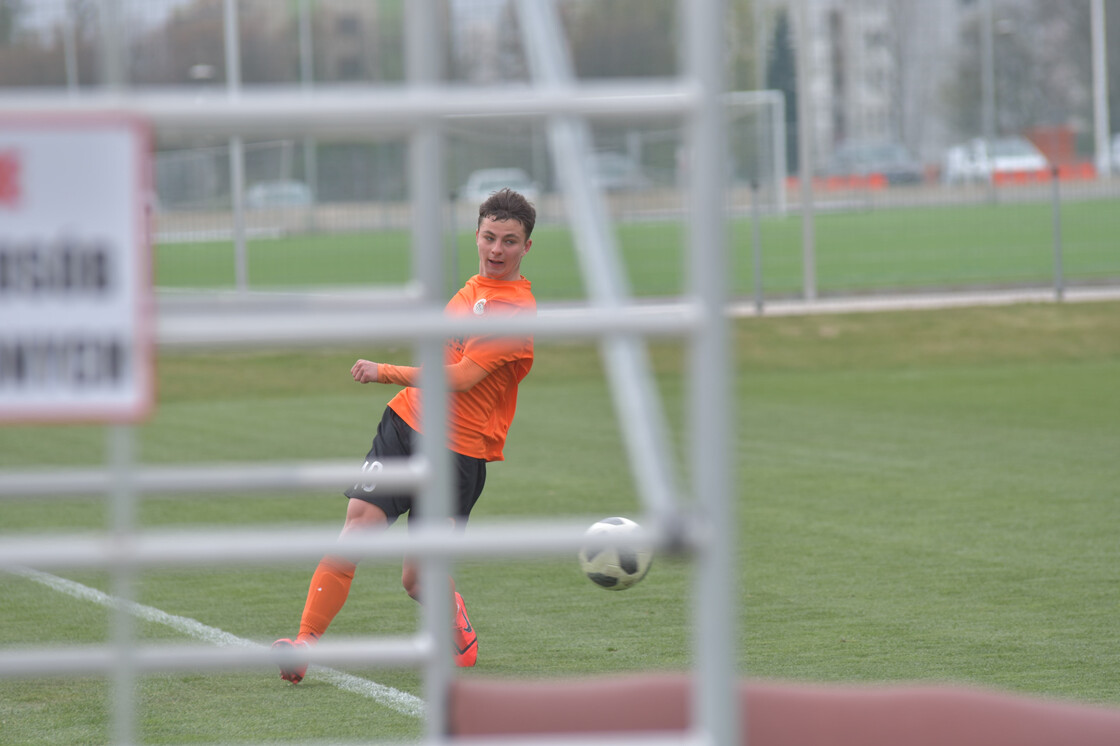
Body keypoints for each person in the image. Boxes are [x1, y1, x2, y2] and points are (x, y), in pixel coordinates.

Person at [273, 188, 537, 682]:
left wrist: (385, 370)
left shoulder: (514, 312)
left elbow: (460, 377)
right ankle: (303, 645)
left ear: (527, 247)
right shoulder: (473, 288)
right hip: (407, 425)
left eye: (509, 241)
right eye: (488, 237)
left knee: (417, 578)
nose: (496, 250)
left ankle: (452, 617)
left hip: (457, 453)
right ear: (476, 234)